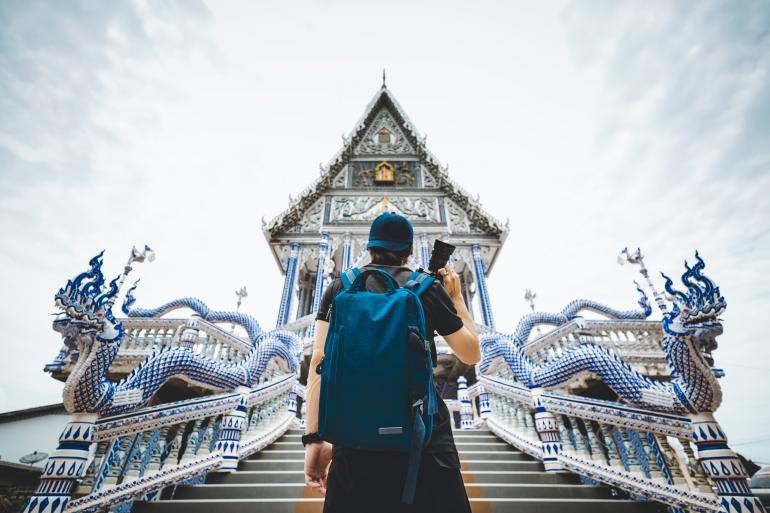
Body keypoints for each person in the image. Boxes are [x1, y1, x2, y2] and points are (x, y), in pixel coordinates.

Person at [302, 212, 481, 513]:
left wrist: (315, 439)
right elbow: (471, 353)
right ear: (409, 253)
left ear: (369, 248)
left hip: (354, 444)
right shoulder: (426, 288)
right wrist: (456, 297)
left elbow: (319, 361)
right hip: (425, 445)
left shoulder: (339, 289)